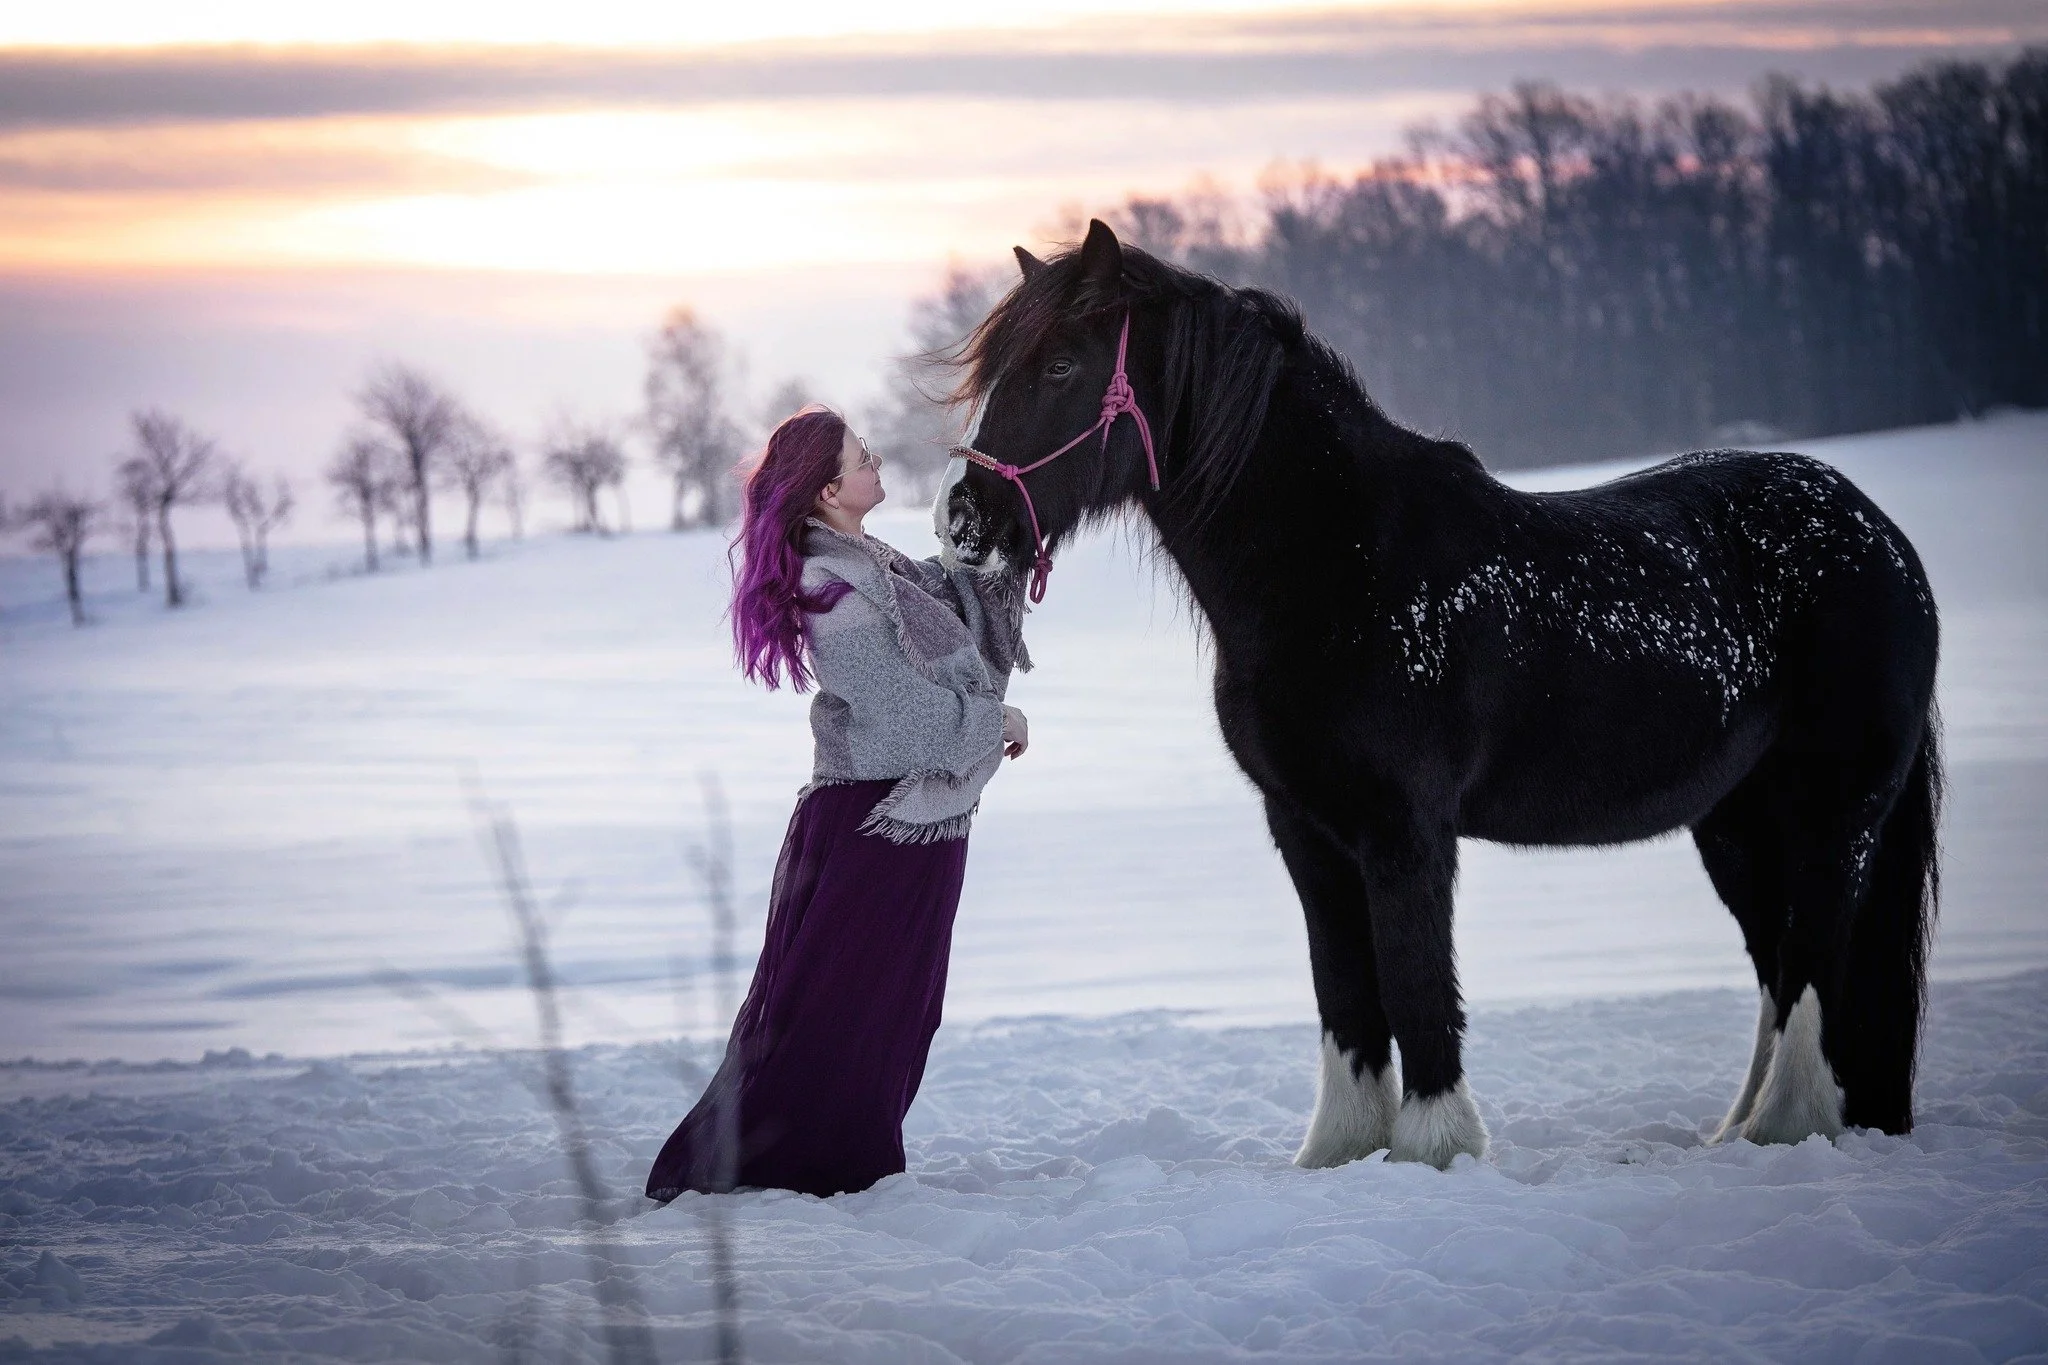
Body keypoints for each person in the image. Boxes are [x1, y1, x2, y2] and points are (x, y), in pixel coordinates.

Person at [646, 406, 1031, 1202]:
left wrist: (1009, 549)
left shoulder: (872, 562)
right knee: (842, 1023)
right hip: (876, 828)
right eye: (864, 456)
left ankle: (830, 1161)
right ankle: (799, 1167)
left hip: (911, 823)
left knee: (888, 1017)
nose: (877, 460)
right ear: (828, 490)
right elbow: (900, 717)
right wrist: (994, 722)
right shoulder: (833, 588)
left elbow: (957, 602)